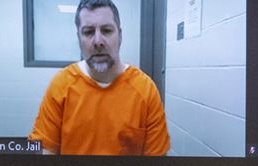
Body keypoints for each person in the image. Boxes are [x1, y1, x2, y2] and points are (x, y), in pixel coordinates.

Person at [29, 0, 170, 156]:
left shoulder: (146, 90)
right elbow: (45, 150)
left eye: (107, 30)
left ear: (120, 36)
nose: (98, 41)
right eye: (88, 32)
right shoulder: (61, 85)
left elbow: (157, 164)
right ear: (79, 39)